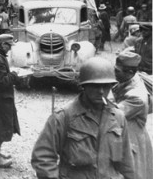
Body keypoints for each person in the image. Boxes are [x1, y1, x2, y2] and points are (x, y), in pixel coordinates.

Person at [31, 57, 134, 179]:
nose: (101, 91)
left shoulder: (118, 117)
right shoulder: (64, 117)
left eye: (106, 86)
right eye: (95, 86)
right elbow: (43, 157)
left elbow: (127, 162)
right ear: (84, 86)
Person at [112, 50, 153, 179]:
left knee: (134, 173)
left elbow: (113, 114)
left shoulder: (136, 96)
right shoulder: (128, 79)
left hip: (132, 139)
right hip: (126, 132)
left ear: (130, 72)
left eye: (117, 71)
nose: (114, 73)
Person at [0, 34, 21, 168]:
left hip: (2, 98)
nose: (10, 49)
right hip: (1, 99)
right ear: (2, 45)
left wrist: (12, 75)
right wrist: (14, 75)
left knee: (0, 126)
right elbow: (1, 82)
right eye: (8, 46)